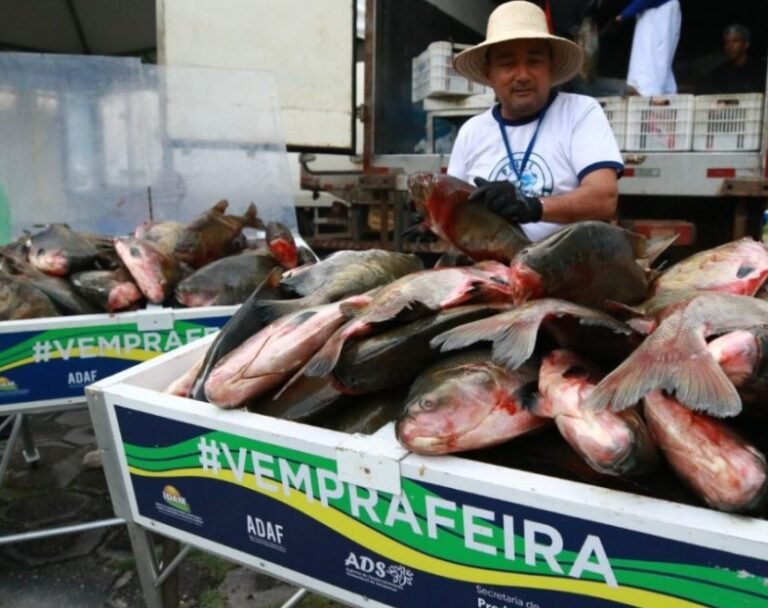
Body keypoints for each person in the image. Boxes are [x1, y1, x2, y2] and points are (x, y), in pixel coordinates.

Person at [448, 1, 624, 243]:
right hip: (492, 271)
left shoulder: (580, 112)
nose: (522, 75)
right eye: (508, 63)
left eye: (534, 61)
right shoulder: (472, 131)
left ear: (550, 66)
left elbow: (604, 198)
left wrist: (533, 207)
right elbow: (455, 212)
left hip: (566, 268)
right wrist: (435, 219)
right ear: (489, 73)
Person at [606, 0, 681, 96]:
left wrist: (622, 16)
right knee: (661, 63)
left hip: (657, 11)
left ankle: (649, 99)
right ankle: (667, 95)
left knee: (648, 62)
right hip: (663, 9)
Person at [698, 25, 766, 94]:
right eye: (727, 42)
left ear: (746, 45)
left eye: (735, 41)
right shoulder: (719, 73)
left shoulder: (761, 70)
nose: (730, 46)